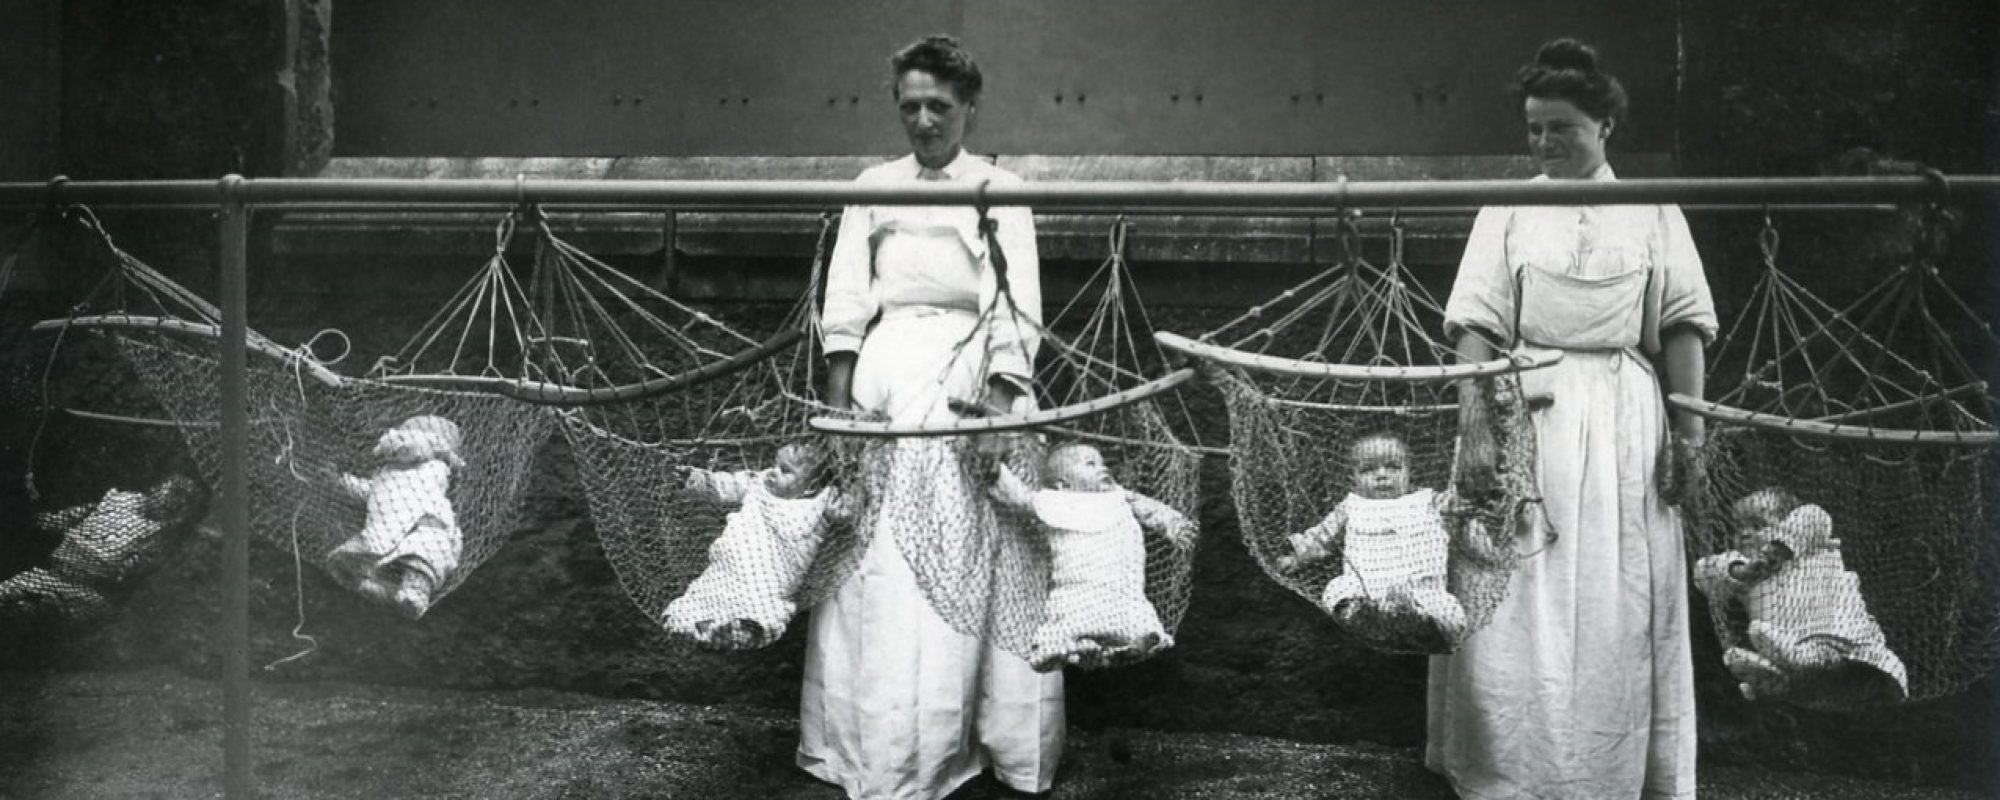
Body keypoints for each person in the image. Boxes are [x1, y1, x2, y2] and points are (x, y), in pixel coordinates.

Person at [1429, 38, 1717, 798]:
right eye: (1534, 129)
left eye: (1561, 127)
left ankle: (1607, 774)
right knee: (1520, 590)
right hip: (1527, 416)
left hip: (1623, 418)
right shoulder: (1507, 208)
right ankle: (1511, 773)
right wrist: (1475, 427)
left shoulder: (1651, 208)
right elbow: (1474, 325)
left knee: (1618, 594)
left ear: (1605, 126)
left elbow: (1683, 324)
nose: (1544, 142)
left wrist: (1690, 436)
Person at [802, 34, 1059, 799]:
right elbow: (848, 298)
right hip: (885, 376)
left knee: (965, 549)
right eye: (910, 106)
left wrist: (1001, 412)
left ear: (969, 108)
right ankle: (880, 747)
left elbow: (1017, 307)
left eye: (939, 106)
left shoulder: (999, 187)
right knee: (875, 558)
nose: (923, 121)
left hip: (968, 377)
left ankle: (963, 737)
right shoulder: (874, 185)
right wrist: (841, 407)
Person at [989, 441, 1194, 672]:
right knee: (1065, 625)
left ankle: (1128, 649)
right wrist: (998, 473)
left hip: (1124, 593)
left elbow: (1149, 508)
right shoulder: (1057, 502)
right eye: (1090, 464)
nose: (1102, 468)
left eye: (1102, 463)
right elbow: (1021, 498)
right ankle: (1060, 650)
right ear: (1063, 485)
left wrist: (1173, 524)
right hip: (1078, 593)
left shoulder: (1118, 496)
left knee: (1142, 627)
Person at [1692, 487, 1907, 706]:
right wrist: (1740, 572)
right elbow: (1702, 573)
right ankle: (1780, 681)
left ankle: (1808, 663)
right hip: (1786, 646)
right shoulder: (1743, 567)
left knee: (1784, 644)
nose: (1745, 534)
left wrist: (1778, 549)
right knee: (1753, 641)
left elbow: (1814, 516)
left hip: (1844, 640)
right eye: (1738, 528)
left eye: (1758, 525)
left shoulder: (1813, 547)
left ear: (1788, 522)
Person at [1280, 432, 1466, 653]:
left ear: (1409, 472)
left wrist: (1464, 473)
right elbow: (1322, 538)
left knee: (1451, 615)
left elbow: (1456, 504)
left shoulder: (1429, 501)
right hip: (1365, 592)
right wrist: (1297, 558)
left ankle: (1419, 624)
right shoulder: (1351, 506)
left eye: (1393, 467)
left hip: (1420, 591)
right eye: (1368, 470)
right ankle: (1359, 615)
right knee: (1335, 590)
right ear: (1353, 479)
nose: (1382, 476)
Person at [662, 442, 856, 650]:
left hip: (767, 589)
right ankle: (688, 627)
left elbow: (846, 508)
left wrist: (843, 506)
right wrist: (698, 480)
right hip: (724, 573)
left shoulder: (818, 505)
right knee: (691, 603)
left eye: (785, 470)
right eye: (775, 464)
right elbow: (728, 485)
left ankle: (738, 631)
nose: (773, 471)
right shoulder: (760, 483)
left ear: (810, 486)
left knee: (767, 616)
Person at [326, 415, 466, 621]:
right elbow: (368, 489)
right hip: (385, 527)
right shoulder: (384, 474)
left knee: (422, 558)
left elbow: (418, 449)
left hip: (423, 524)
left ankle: (413, 593)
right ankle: (378, 587)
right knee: (357, 557)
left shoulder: (434, 468)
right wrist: (341, 481)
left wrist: (431, 450)